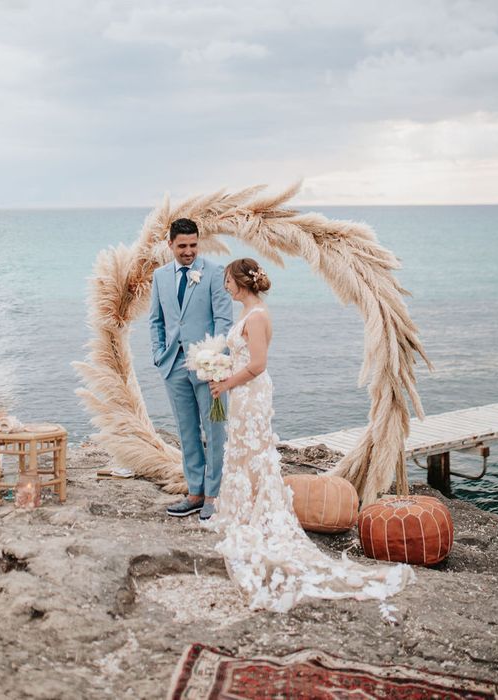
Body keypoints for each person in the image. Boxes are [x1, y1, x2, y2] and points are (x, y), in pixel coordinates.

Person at [208, 258, 414, 616]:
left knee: (254, 452)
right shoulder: (249, 312)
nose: (225, 286)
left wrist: (226, 381)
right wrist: (220, 369)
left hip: (251, 394)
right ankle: (241, 512)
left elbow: (258, 364)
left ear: (241, 283)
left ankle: (255, 517)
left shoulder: (256, 316)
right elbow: (244, 359)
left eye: (227, 280)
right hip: (243, 395)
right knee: (242, 452)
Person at [149, 218, 233, 521]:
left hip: (209, 368)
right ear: (170, 244)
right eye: (182, 246)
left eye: (193, 245)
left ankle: (213, 494)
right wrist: (159, 356)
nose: (188, 251)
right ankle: (194, 493)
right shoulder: (159, 277)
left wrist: (212, 356)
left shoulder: (214, 273)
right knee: (187, 433)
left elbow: (224, 321)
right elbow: (156, 321)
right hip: (173, 366)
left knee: (215, 431)